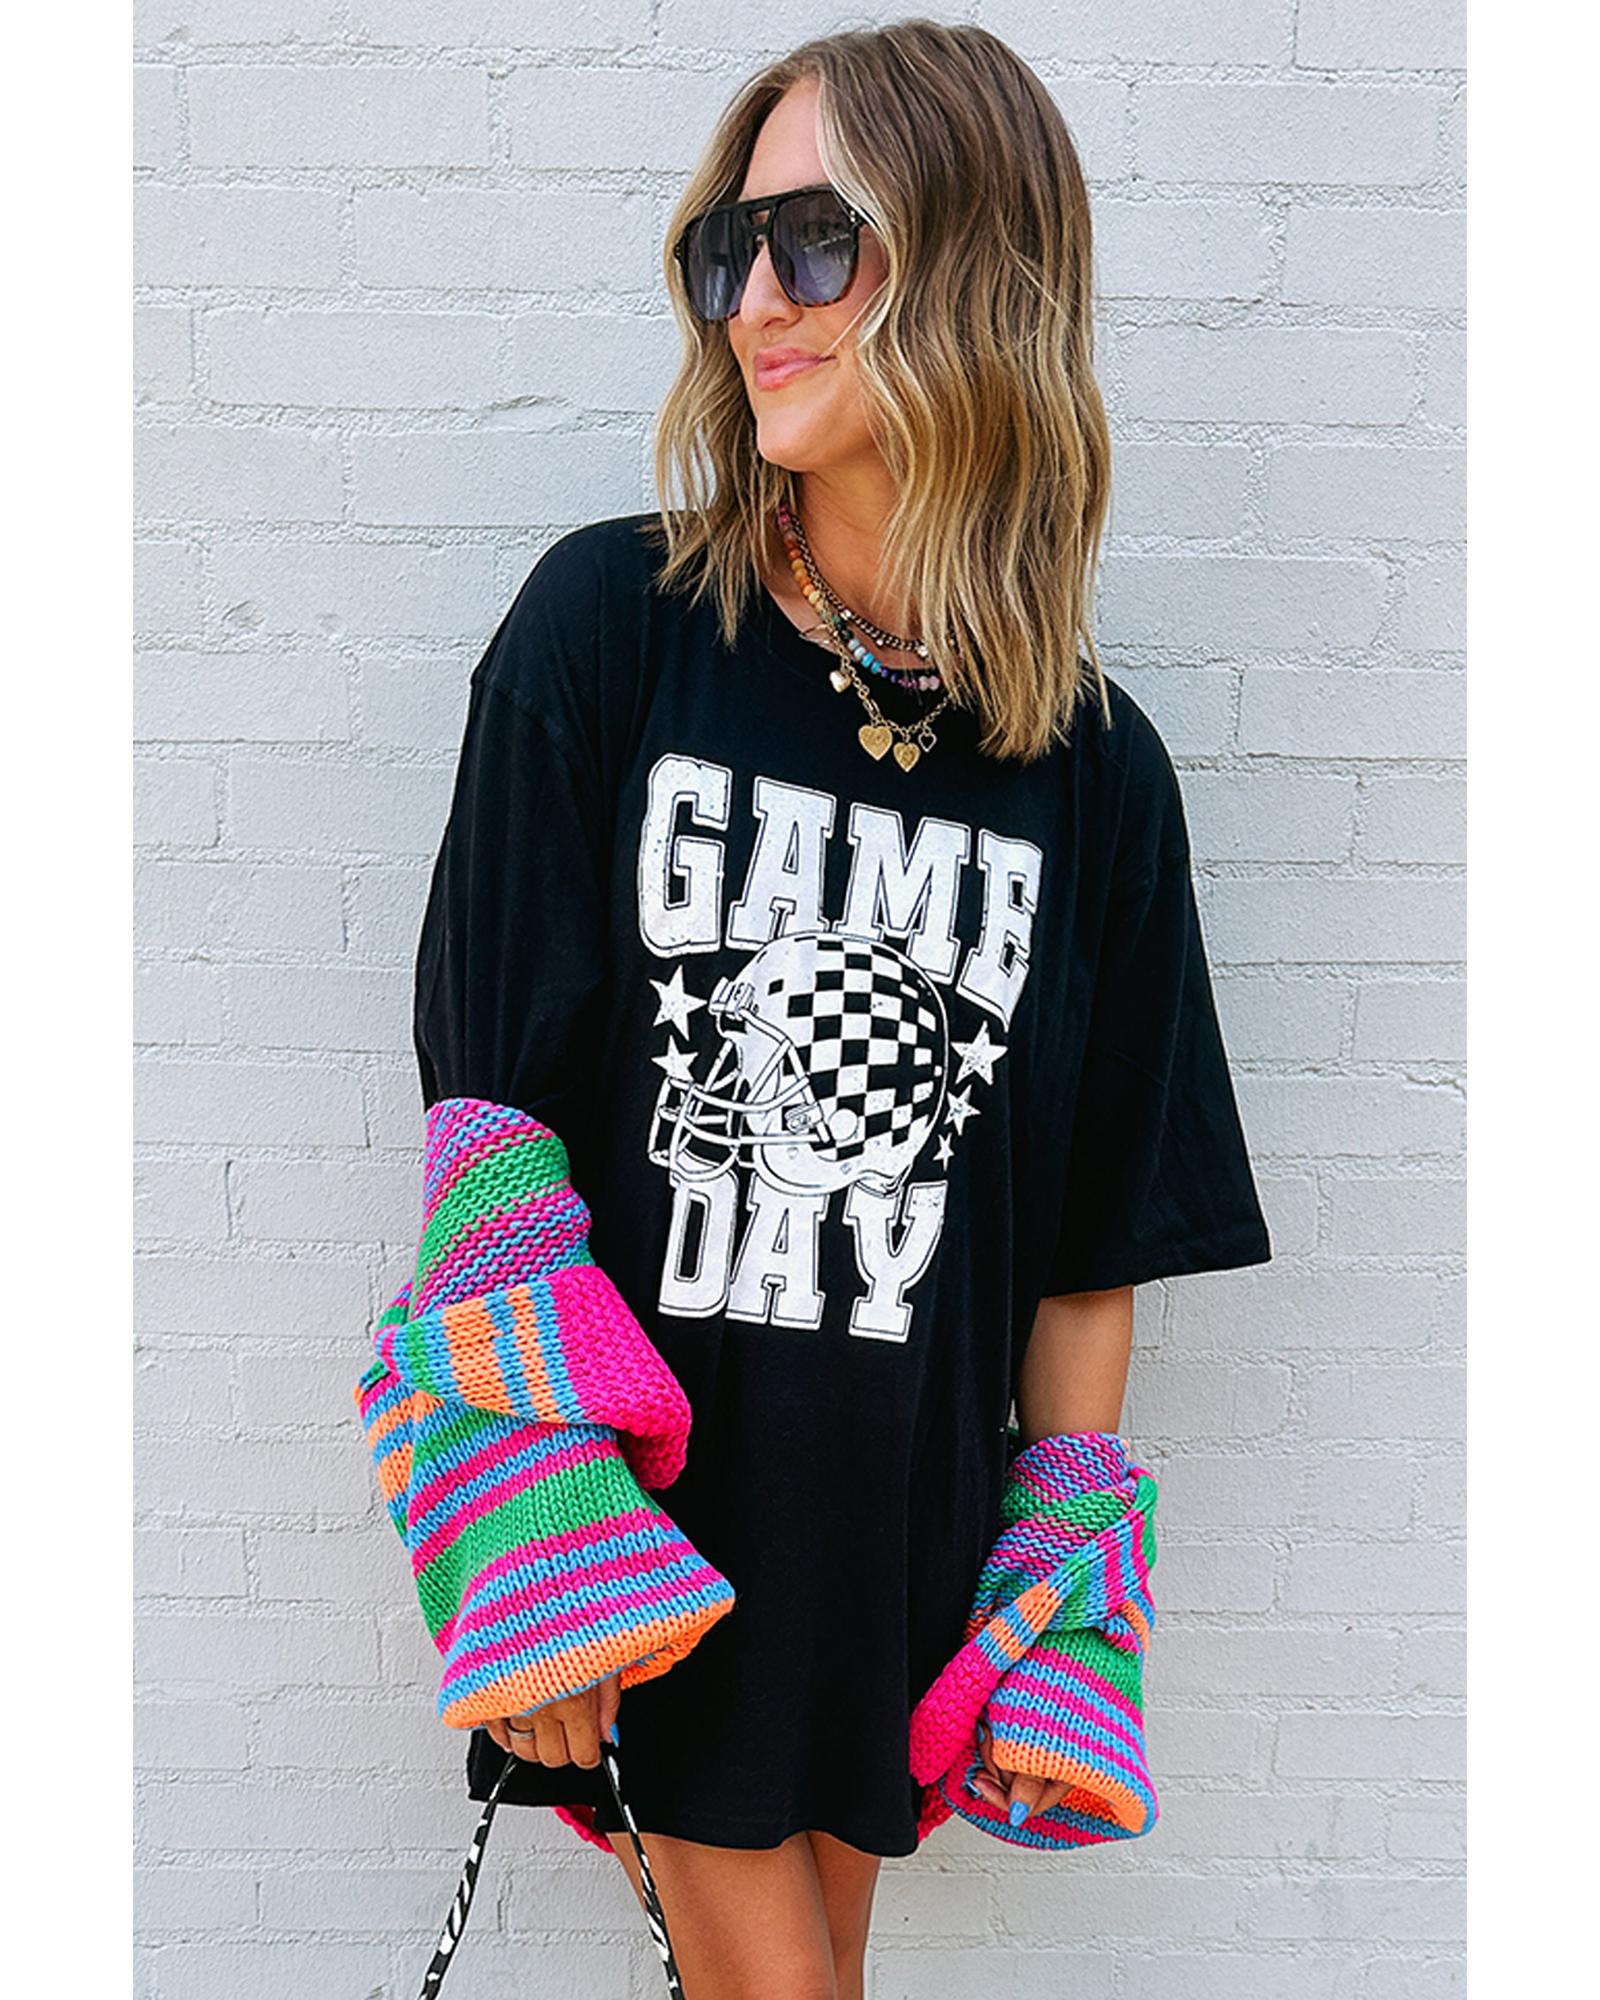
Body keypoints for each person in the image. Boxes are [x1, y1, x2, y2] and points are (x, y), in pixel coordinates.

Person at [407, 20, 1271, 1999]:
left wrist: (1059, 1589)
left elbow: (1087, 1250)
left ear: (973, 270)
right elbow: (490, 1129)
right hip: (649, 1532)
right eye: (728, 250)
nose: (755, 304)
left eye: (816, 242)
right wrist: (526, 1525)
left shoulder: (1094, 776)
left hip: (895, 1547)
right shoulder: (609, 633)